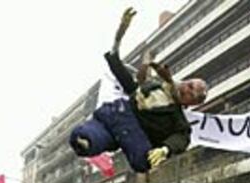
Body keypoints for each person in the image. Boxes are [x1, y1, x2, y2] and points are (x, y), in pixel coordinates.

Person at [70, 7, 207, 173]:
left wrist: (165, 150)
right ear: (185, 81)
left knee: (143, 161)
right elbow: (124, 76)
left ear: (191, 104)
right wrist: (119, 36)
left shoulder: (177, 120)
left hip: (132, 134)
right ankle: (84, 140)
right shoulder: (153, 86)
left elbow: (182, 138)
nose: (188, 91)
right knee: (89, 136)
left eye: (193, 95)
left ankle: (87, 141)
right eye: (190, 86)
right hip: (118, 113)